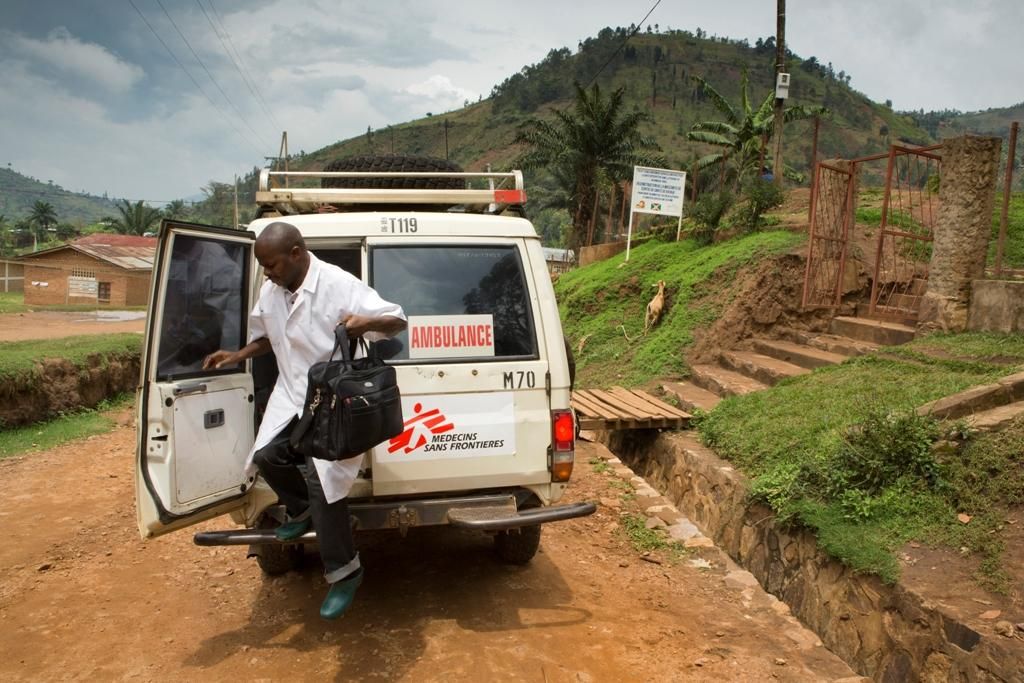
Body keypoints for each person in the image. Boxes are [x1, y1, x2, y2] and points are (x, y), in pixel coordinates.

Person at [202, 222, 406, 620]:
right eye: (262, 265)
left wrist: (365, 323)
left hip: (334, 399)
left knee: (322, 480)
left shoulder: (335, 283)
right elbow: (270, 338)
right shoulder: (272, 291)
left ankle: (344, 572)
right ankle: (301, 510)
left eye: (271, 263)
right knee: (265, 455)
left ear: (296, 253)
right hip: (293, 393)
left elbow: (396, 320)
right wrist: (237, 355)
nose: (267, 272)